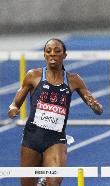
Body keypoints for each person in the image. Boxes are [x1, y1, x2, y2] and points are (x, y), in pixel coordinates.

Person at [7, 38, 103, 186]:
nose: (52, 54)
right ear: (44, 55)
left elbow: (97, 107)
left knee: (54, 182)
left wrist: (95, 106)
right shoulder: (33, 76)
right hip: (31, 138)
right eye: (48, 51)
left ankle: (46, 181)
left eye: (57, 51)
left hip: (56, 139)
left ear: (64, 55)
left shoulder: (73, 80)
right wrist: (13, 109)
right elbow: (15, 103)